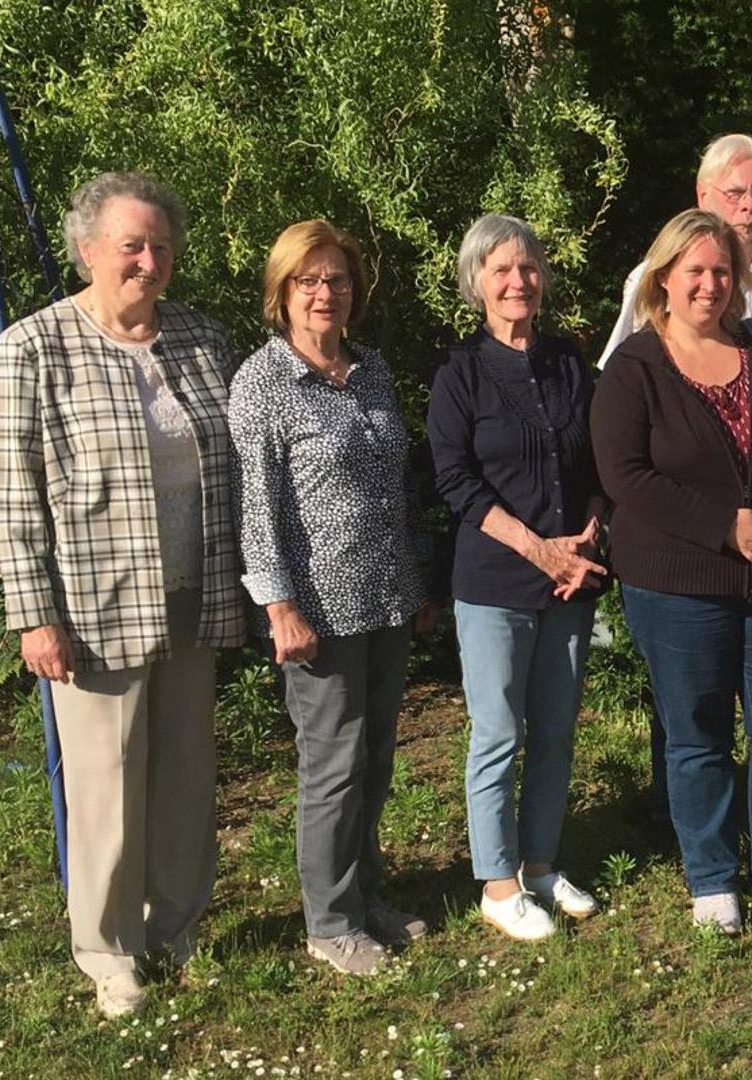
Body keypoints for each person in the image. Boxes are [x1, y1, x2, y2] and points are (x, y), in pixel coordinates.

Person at [0, 173, 246, 1017]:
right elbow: (14, 493)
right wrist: (32, 612)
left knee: (183, 771)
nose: (149, 260)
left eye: (162, 246)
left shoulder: (204, 339)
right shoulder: (36, 345)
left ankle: (175, 925)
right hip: (94, 606)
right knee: (105, 778)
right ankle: (108, 949)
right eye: (132, 245)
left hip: (192, 590)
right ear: (89, 250)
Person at [592, 210, 752, 934]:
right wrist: (724, 524)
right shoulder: (634, 366)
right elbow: (624, 475)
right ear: (664, 277)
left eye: (721, 270)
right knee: (697, 733)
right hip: (678, 583)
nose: (709, 283)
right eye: (694, 270)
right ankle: (712, 878)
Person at [229, 219, 437, 976]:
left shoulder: (373, 369)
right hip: (317, 611)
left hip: (386, 597)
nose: (325, 293)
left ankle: (365, 893)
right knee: (333, 763)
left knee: (376, 756)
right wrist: (278, 607)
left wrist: (414, 579)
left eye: (337, 279)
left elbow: (396, 487)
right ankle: (330, 921)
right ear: (281, 293)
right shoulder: (262, 383)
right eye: (308, 281)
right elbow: (256, 508)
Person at [428, 214, 607, 941]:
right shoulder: (459, 374)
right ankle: (498, 884)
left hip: (572, 581)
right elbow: (455, 482)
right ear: (477, 283)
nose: (517, 281)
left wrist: (589, 537)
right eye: (501, 270)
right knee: (499, 731)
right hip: (497, 582)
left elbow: (600, 459)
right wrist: (542, 550)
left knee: (558, 731)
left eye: (528, 267)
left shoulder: (569, 364)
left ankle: (539, 864)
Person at [599, 133, 752, 370]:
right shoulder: (657, 277)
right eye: (735, 193)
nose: (749, 206)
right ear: (703, 195)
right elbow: (620, 376)